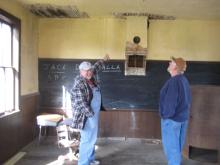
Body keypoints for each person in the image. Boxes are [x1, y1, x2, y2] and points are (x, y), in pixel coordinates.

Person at [70, 54, 110, 165]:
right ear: (80, 71)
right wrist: (91, 116)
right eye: (85, 71)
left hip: (94, 114)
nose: (89, 72)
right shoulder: (79, 84)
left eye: (90, 70)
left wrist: (104, 60)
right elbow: (81, 104)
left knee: (92, 139)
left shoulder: (91, 77)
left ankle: (90, 160)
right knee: (87, 140)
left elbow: (96, 66)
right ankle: (83, 163)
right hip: (86, 116)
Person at [159, 56, 192, 165]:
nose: (169, 62)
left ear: (176, 67)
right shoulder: (184, 80)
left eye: (172, 62)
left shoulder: (173, 81)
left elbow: (170, 103)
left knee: (172, 150)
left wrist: (165, 116)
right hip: (183, 119)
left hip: (172, 120)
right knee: (177, 149)